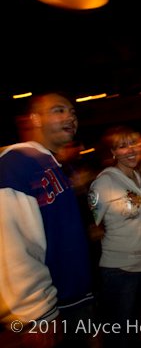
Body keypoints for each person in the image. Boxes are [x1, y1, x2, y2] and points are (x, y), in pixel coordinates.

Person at [0, 91, 94, 347]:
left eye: (73, 112)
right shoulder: (13, 165)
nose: (71, 117)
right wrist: (35, 315)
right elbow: (12, 247)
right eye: (59, 110)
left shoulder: (52, 164)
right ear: (35, 119)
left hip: (73, 300)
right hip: (48, 312)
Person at [87, 126, 141, 347]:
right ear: (113, 152)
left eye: (133, 144)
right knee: (120, 337)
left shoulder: (136, 175)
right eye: (122, 146)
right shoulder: (104, 183)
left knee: (136, 332)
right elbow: (90, 223)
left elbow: (140, 213)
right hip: (120, 272)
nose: (130, 150)